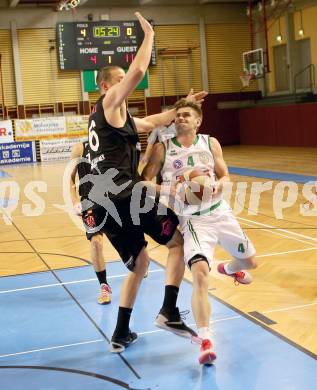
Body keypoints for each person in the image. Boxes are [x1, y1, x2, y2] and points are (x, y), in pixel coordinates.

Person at [84, 12, 207, 352]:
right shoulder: (109, 103)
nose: (127, 82)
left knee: (139, 263)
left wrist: (183, 106)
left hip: (106, 204)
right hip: (126, 193)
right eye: (119, 79)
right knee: (178, 242)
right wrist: (149, 35)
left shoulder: (113, 118)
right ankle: (168, 310)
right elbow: (138, 71)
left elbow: (153, 120)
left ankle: (120, 332)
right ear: (107, 86)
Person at [142, 99, 257, 365]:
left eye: (186, 115)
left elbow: (225, 174)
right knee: (200, 274)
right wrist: (167, 190)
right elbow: (144, 182)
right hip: (192, 220)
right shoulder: (163, 148)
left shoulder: (210, 142)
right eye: (178, 115)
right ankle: (206, 339)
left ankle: (229, 269)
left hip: (220, 212)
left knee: (251, 262)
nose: (181, 118)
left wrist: (220, 186)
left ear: (198, 122)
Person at [70, 141, 112, 305]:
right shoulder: (79, 148)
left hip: (115, 199)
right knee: (96, 243)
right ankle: (103, 285)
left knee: (130, 243)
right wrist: (74, 201)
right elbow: (70, 179)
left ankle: (137, 262)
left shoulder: (113, 143)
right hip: (89, 203)